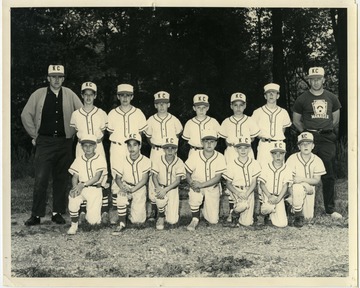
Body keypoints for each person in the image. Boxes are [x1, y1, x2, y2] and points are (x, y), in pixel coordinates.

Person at [21, 65, 83, 226]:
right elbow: (25, 114)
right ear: (48, 78)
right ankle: (36, 215)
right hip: (45, 142)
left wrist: (77, 133)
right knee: (41, 178)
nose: (56, 80)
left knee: (61, 178)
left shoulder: (69, 94)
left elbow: (82, 113)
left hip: (64, 142)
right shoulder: (39, 94)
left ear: (63, 78)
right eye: (53, 76)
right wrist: (34, 135)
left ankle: (57, 213)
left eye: (60, 77)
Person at [292, 67, 342, 219]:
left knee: (328, 172)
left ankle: (330, 209)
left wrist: (324, 130)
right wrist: (307, 134)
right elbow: (296, 120)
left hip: (327, 139)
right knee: (304, 171)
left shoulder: (332, 97)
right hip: (309, 138)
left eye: (318, 78)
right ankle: (299, 205)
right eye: (312, 79)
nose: (315, 81)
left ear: (323, 80)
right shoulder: (302, 98)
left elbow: (335, 120)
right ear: (309, 81)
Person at [107, 84, 148, 224]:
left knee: (134, 175)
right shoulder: (112, 113)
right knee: (116, 178)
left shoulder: (138, 112)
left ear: (132, 96)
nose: (125, 98)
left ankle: (134, 208)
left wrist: (133, 146)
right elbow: (110, 132)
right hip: (118, 147)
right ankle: (118, 211)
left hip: (132, 147)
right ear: (118, 96)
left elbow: (141, 133)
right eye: (122, 95)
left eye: (127, 95)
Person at [70, 82, 109, 224]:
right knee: (81, 176)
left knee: (101, 179)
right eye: (85, 94)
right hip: (81, 147)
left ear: (95, 96)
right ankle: (82, 211)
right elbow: (75, 132)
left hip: (97, 146)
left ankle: (104, 211)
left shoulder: (101, 113)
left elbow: (103, 133)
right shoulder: (76, 114)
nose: (88, 97)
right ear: (81, 95)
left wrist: (96, 142)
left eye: (91, 94)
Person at [219, 92, 260, 223]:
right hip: (232, 150)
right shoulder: (226, 121)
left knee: (248, 177)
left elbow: (253, 137)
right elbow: (225, 139)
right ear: (231, 106)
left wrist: (244, 146)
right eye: (235, 105)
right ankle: (232, 212)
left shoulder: (250, 120)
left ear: (245, 106)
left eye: (241, 105)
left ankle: (249, 211)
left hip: (246, 150)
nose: (238, 108)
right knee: (232, 180)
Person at [145, 91, 183, 222]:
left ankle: (169, 208)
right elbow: (148, 137)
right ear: (155, 105)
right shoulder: (150, 119)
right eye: (159, 104)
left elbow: (178, 135)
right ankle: (154, 210)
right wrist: (157, 146)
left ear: (169, 104)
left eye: (164, 104)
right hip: (156, 150)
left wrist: (169, 148)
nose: (162, 106)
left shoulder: (174, 120)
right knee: (154, 178)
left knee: (170, 177)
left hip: (170, 151)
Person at [185, 129, 227, 231]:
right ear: (202, 142)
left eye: (212, 141)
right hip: (196, 186)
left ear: (216, 143)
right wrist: (192, 183)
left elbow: (218, 178)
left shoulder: (220, 156)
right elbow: (187, 173)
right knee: (194, 196)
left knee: (213, 220)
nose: (209, 144)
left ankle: (204, 207)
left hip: (212, 187)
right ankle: (195, 218)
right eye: (206, 141)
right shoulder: (195, 155)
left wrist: (201, 185)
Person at [67, 134, 108, 235]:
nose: (88, 148)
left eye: (91, 145)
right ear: (81, 147)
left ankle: (98, 211)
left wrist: (82, 185)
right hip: (82, 188)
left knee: (93, 222)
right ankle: (74, 224)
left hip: (94, 188)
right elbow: (75, 177)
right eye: (85, 146)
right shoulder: (79, 159)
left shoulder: (100, 158)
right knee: (72, 196)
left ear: (95, 146)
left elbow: (97, 177)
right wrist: (75, 188)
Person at [111, 133, 151, 235]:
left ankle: (128, 212)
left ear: (140, 146)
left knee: (138, 221)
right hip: (126, 185)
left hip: (139, 187)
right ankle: (122, 222)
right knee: (120, 196)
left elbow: (144, 180)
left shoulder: (146, 160)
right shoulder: (122, 159)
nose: (131, 148)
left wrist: (132, 190)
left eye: (134, 145)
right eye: (129, 145)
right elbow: (117, 178)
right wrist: (123, 188)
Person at [285, 132, 326, 227]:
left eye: (308, 143)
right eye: (303, 144)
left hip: (310, 190)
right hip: (294, 189)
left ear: (313, 146)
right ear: (299, 147)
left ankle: (292, 207)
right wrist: (304, 184)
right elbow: (289, 179)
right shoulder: (292, 158)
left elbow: (316, 180)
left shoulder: (317, 160)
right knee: (298, 188)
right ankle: (295, 212)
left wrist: (303, 180)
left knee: (308, 217)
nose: (305, 146)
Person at [223, 136, 261, 228]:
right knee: (243, 204)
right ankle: (234, 213)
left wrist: (247, 193)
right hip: (236, 189)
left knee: (246, 223)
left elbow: (254, 182)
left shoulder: (254, 163)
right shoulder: (231, 164)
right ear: (236, 149)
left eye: (246, 148)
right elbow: (228, 183)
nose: (243, 151)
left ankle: (239, 216)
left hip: (249, 190)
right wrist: (238, 192)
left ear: (249, 149)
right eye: (240, 148)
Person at [252, 83, 292, 167]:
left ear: (277, 96)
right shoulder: (258, 112)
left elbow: (283, 129)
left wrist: (277, 139)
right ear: (265, 96)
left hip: (279, 144)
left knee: (279, 170)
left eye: (274, 92)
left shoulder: (283, 112)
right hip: (264, 144)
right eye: (268, 93)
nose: (271, 95)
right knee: (262, 170)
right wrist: (262, 137)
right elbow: (253, 131)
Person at [151, 137, 185, 230]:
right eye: (167, 148)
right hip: (160, 187)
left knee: (172, 221)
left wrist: (165, 190)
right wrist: (158, 188)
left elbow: (178, 181)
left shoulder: (179, 162)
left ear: (176, 150)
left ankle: (166, 212)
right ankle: (161, 215)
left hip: (172, 189)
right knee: (160, 199)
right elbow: (154, 176)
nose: (170, 151)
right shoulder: (158, 159)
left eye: (172, 148)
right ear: (163, 149)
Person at [258, 141, 292, 228]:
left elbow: (285, 186)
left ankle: (280, 209)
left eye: (281, 153)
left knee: (282, 224)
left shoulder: (287, 168)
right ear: (271, 155)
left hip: (279, 196)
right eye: (275, 153)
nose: (278, 156)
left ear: (284, 155)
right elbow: (262, 184)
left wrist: (279, 199)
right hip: (267, 195)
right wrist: (269, 196)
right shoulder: (266, 166)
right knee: (268, 208)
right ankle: (264, 215)